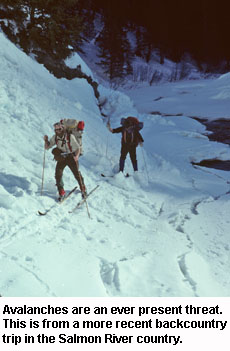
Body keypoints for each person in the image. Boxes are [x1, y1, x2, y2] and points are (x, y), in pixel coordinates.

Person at [43, 122, 87, 200]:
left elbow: (77, 148)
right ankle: (61, 192)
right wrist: (46, 141)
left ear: (62, 128)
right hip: (62, 157)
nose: (57, 131)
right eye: (56, 129)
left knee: (77, 173)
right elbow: (47, 147)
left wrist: (76, 156)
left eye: (59, 129)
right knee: (58, 174)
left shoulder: (70, 137)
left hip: (71, 156)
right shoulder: (55, 137)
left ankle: (83, 188)